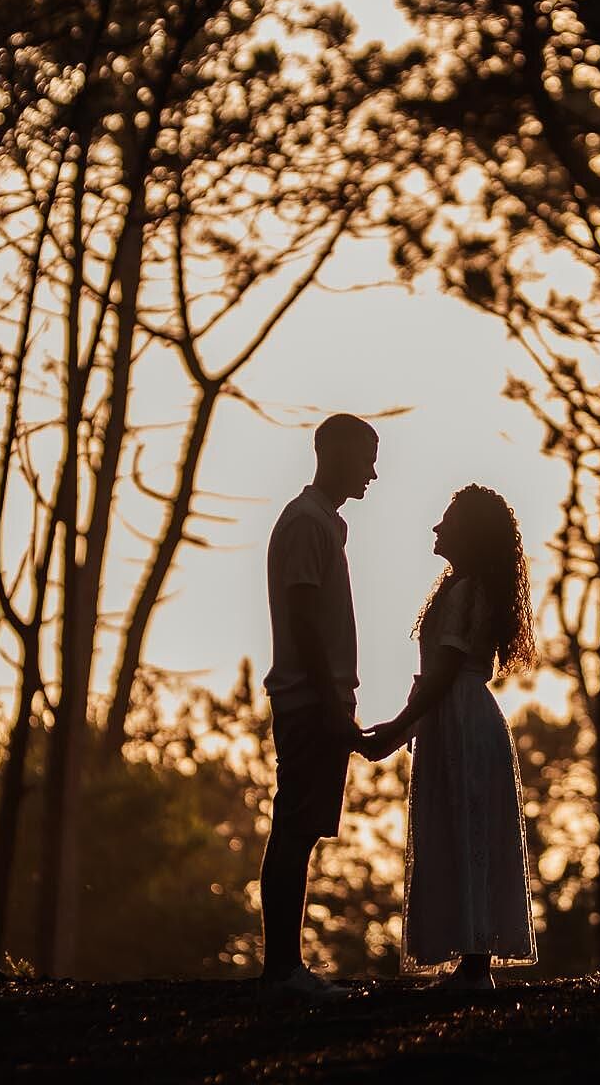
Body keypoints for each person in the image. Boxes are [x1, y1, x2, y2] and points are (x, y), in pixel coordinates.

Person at [362, 485, 537, 990]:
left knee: (467, 825)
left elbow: (441, 673)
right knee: (460, 825)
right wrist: (408, 727)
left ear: (470, 533)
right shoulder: (462, 587)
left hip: (459, 718)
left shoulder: (466, 591)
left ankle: (476, 965)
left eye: (447, 521)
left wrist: (397, 729)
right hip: (452, 718)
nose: (437, 528)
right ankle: (470, 959)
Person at [257, 413, 379, 1000]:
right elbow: (303, 616)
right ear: (329, 453)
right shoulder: (308, 523)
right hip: (310, 701)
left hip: (316, 699)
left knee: (298, 829)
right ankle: (282, 971)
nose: (373, 474)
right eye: (365, 459)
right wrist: (332, 703)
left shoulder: (323, 524)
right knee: (295, 827)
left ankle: (284, 968)